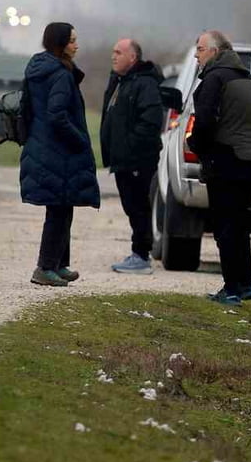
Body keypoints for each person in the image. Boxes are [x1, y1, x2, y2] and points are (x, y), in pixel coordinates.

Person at [19, 22, 100, 287]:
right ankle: (44, 268)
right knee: (58, 210)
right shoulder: (60, 75)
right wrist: (79, 141)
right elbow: (57, 116)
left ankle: (59, 264)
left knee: (63, 206)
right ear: (60, 44)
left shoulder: (38, 68)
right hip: (58, 151)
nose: (76, 45)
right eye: (72, 40)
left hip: (41, 147)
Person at [187, 30, 251, 305]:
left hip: (226, 161)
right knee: (239, 223)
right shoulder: (249, 79)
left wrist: (194, 143)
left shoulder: (214, 79)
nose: (196, 55)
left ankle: (231, 289)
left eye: (200, 49)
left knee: (225, 227)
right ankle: (245, 283)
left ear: (215, 52)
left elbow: (204, 122)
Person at [100, 38, 165, 275]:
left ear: (132, 58)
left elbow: (150, 122)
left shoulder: (144, 84)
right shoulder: (121, 81)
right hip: (123, 160)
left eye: (119, 52)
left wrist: (130, 148)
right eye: (113, 51)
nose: (113, 56)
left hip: (138, 160)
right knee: (131, 207)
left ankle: (141, 255)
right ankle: (138, 252)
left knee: (139, 206)